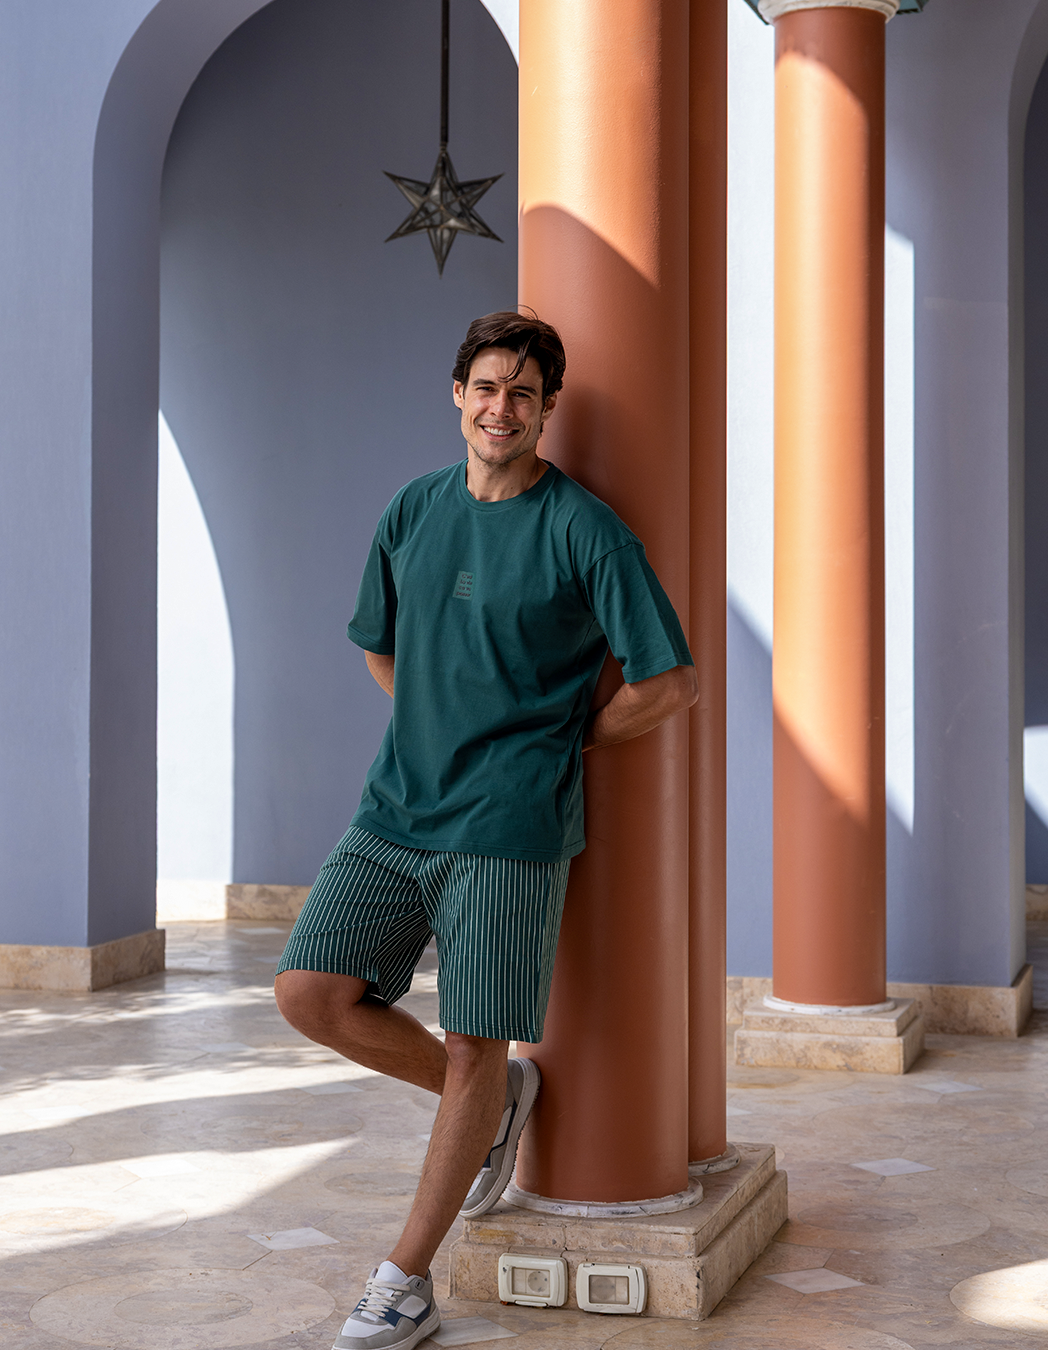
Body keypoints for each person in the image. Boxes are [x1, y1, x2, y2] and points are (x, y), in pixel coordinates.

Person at [274, 311, 697, 1350]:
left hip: (509, 827)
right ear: (458, 395)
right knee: (308, 994)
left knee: (474, 1039)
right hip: (395, 810)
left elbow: (670, 683)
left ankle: (404, 1283)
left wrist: (556, 739)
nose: (502, 407)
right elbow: (381, 649)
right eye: (488, 386)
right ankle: (496, 1104)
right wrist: (443, 720)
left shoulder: (584, 530)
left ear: (548, 410)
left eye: (524, 393)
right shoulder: (412, 508)